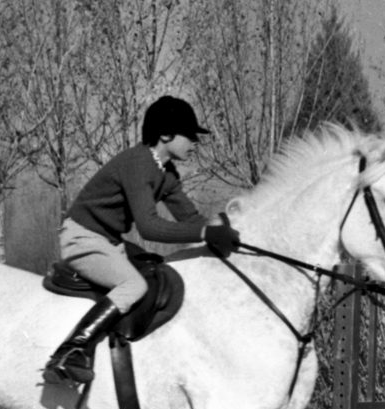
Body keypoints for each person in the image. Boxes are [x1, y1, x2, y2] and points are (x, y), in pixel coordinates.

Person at [42, 95, 240, 386]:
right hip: (81, 237)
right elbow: (149, 227)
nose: (195, 142)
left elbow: (190, 219)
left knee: (154, 268)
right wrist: (206, 233)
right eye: (189, 135)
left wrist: (226, 230)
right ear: (165, 134)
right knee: (134, 284)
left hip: (108, 241)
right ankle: (71, 351)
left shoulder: (166, 173)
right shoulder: (137, 162)